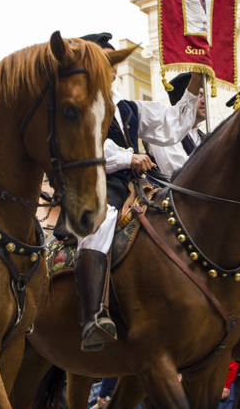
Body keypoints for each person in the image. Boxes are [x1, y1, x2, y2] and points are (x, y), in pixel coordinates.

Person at [74, 32, 202, 352]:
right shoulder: (78, 102)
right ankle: (92, 315)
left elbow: (172, 123)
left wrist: (198, 75)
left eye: (115, 61)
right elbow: (84, 145)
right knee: (100, 223)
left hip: (140, 182)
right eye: (107, 60)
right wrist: (125, 157)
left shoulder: (129, 108)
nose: (114, 67)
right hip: (101, 181)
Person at [143, 72, 207, 176]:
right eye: (199, 95)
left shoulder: (203, 137)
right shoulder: (164, 130)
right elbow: (179, 174)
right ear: (183, 100)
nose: (204, 101)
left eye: (206, 96)